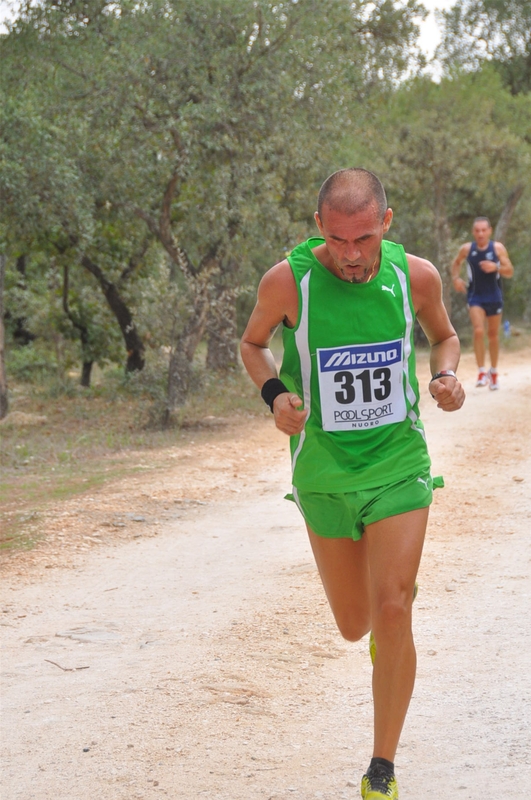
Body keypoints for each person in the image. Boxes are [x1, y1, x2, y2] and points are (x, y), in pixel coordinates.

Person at [240, 168, 465, 800]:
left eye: (363, 239)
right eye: (337, 240)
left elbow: (444, 336)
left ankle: (381, 770)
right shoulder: (288, 282)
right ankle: (379, 647)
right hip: (324, 473)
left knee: (394, 606)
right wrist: (275, 394)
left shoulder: (413, 275)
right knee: (354, 622)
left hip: (398, 462)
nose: (350, 255)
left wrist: (446, 376)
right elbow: (252, 345)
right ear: (319, 229)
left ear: (385, 224)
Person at [450, 217, 514, 389]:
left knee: (493, 335)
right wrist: (456, 279)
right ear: (473, 232)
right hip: (475, 296)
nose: (480, 233)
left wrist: (496, 267)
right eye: (477, 230)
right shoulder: (467, 249)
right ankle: (480, 371)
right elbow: (456, 263)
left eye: (483, 230)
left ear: (489, 231)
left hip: (494, 296)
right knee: (478, 331)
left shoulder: (497, 249)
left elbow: (509, 271)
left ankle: (493, 372)